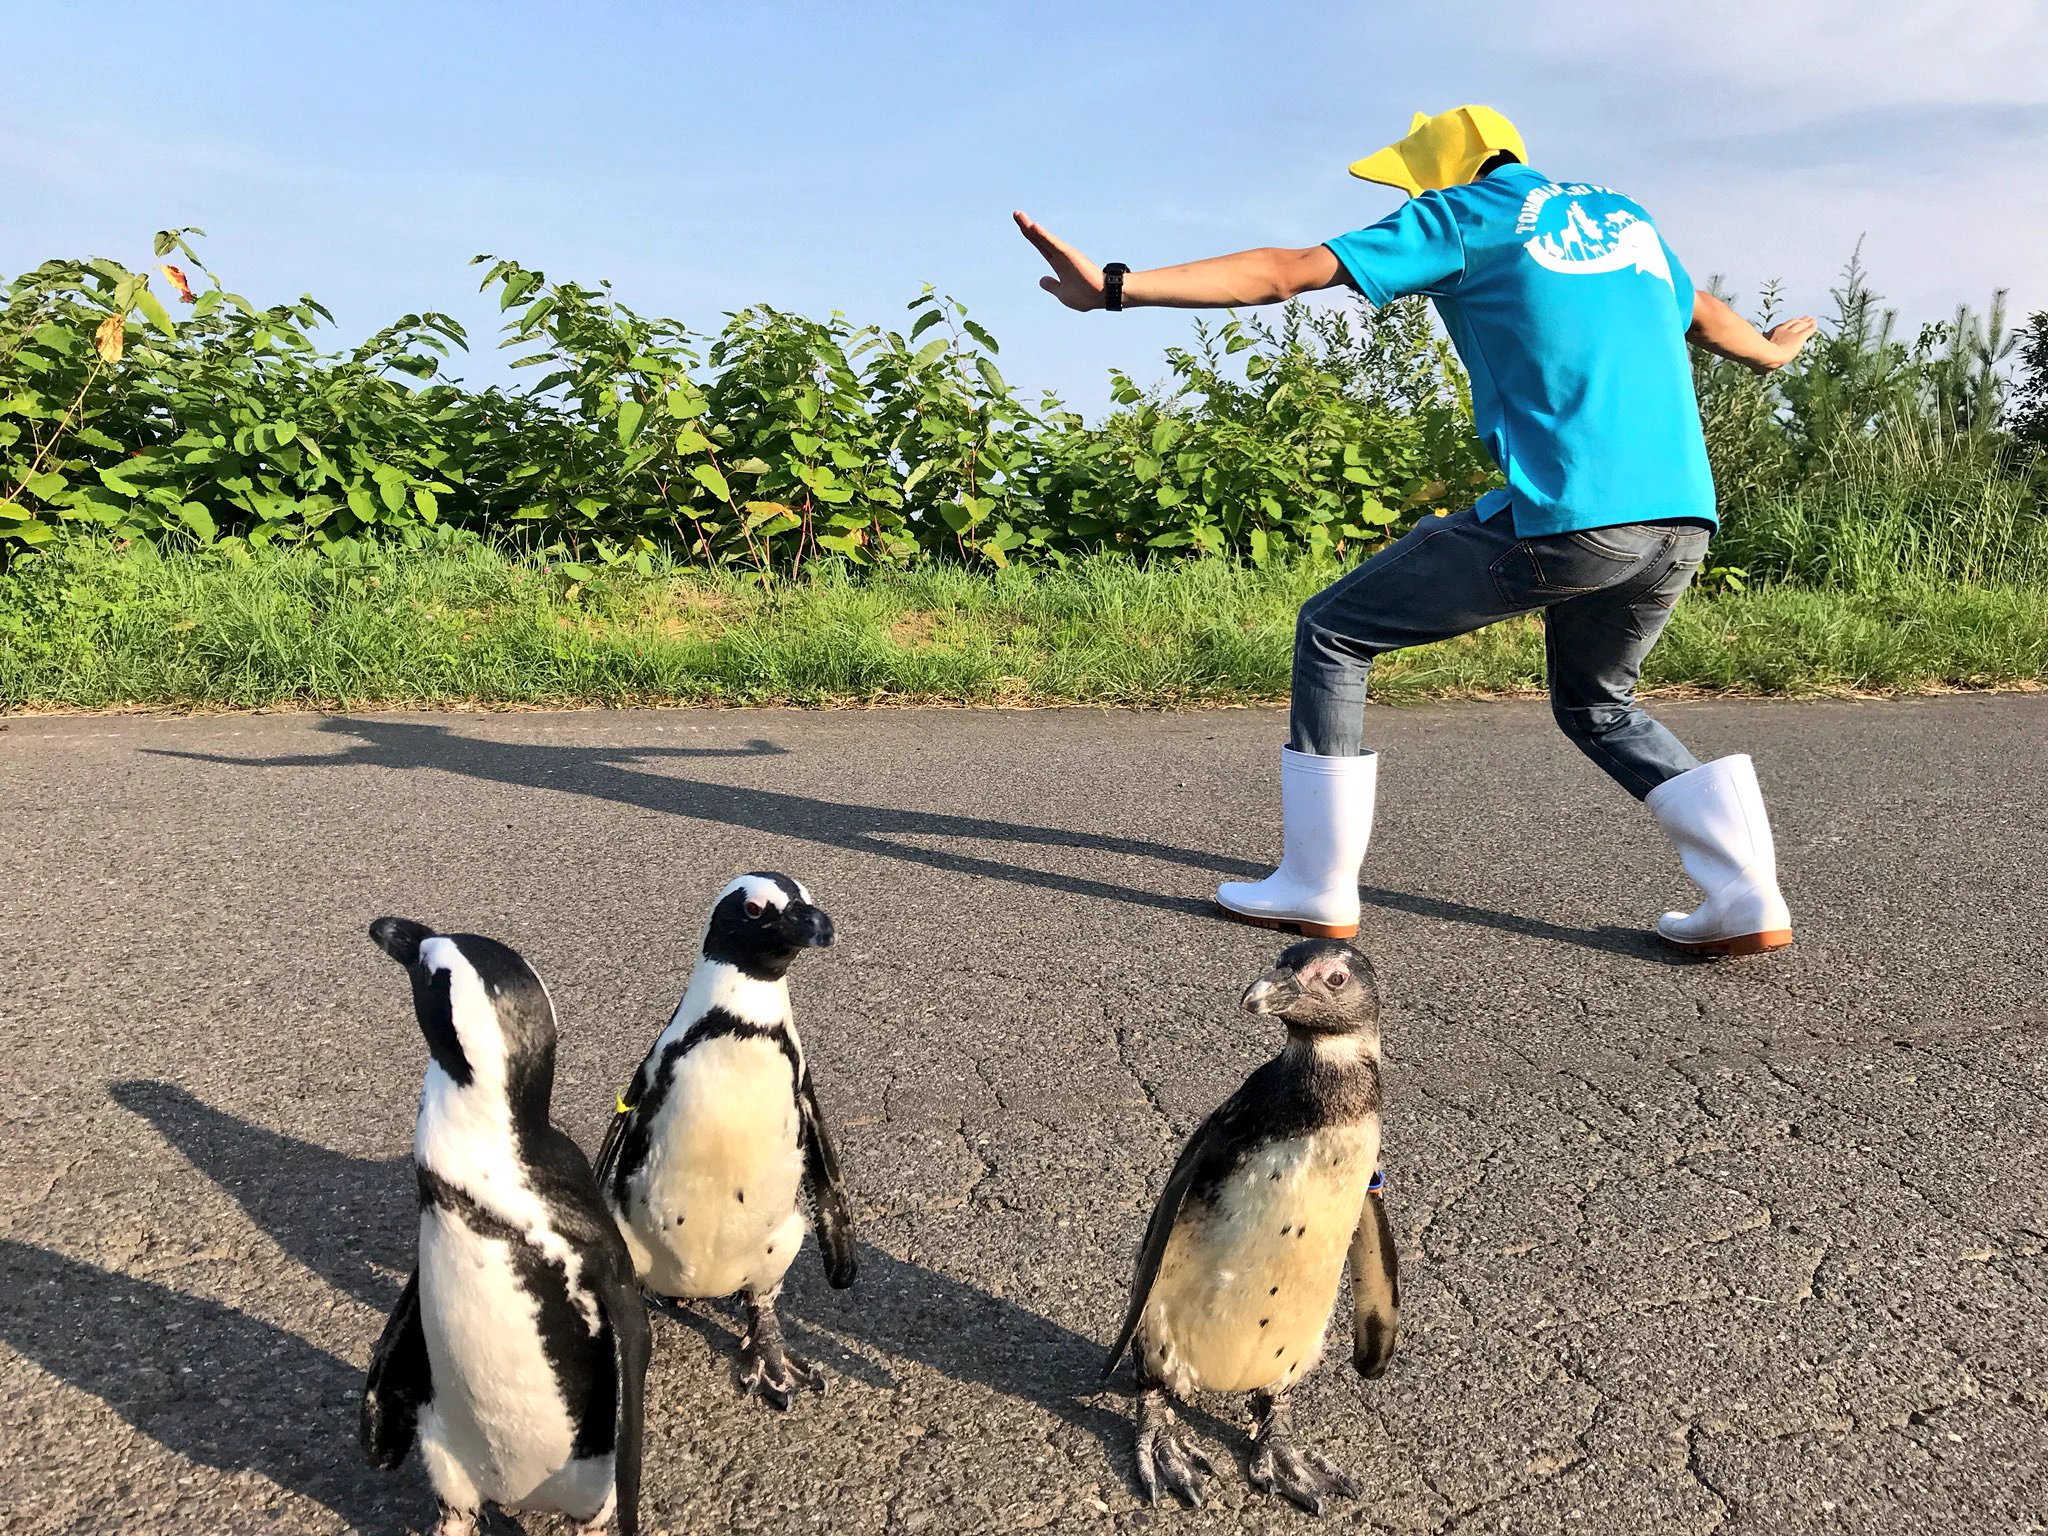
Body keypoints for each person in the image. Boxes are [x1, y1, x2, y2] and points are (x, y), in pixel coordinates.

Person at [1016, 105, 1814, 957]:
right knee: (1599, 704)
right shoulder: (1628, 221)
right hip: (1681, 519)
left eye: (1408, 186)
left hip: (1572, 516)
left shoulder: (1461, 215)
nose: (1405, 203)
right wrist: (1771, 354)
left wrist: (1113, 287)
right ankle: (1746, 893)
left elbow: (1284, 273)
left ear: (1439, 172)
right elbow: (1704, 312)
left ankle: (1316, 884)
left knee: (1335, 629)